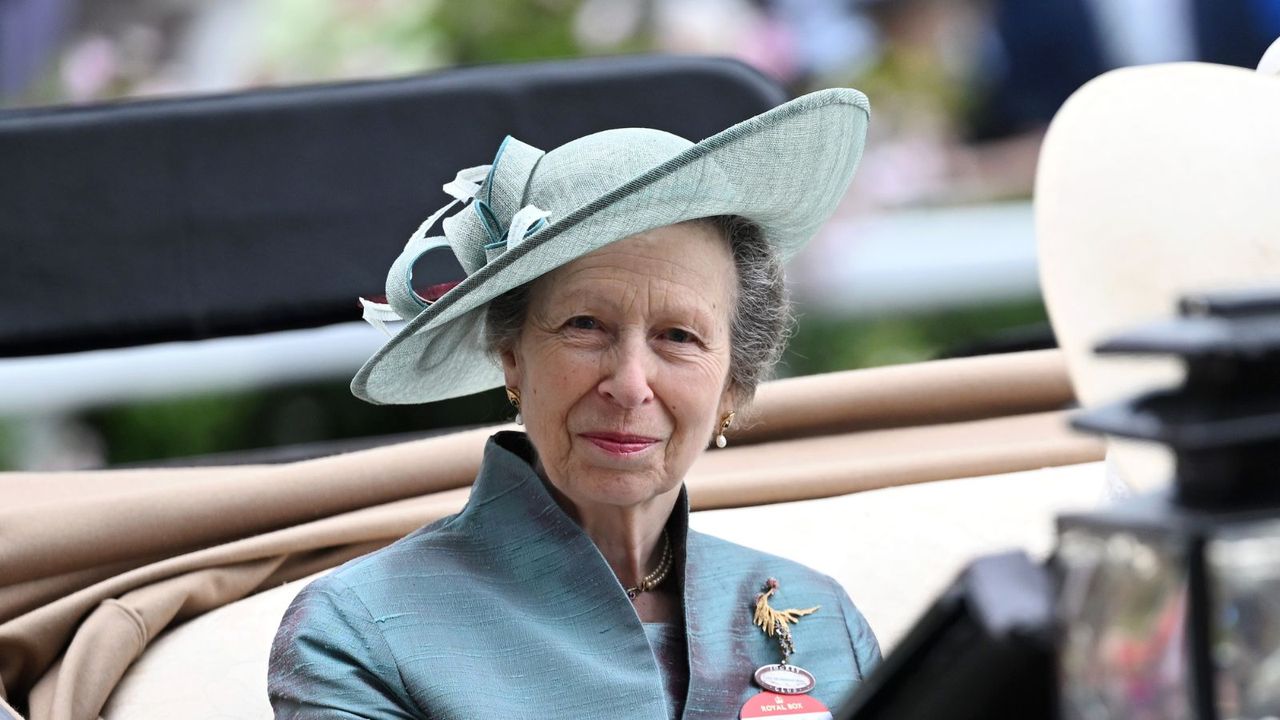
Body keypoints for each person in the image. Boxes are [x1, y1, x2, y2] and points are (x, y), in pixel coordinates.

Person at [268, 88, 880, 719]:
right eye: (585, 325)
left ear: (733, 382)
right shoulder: (363, 632)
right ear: (512, 353)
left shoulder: (823, 622)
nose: (630, 382)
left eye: (679, 336)